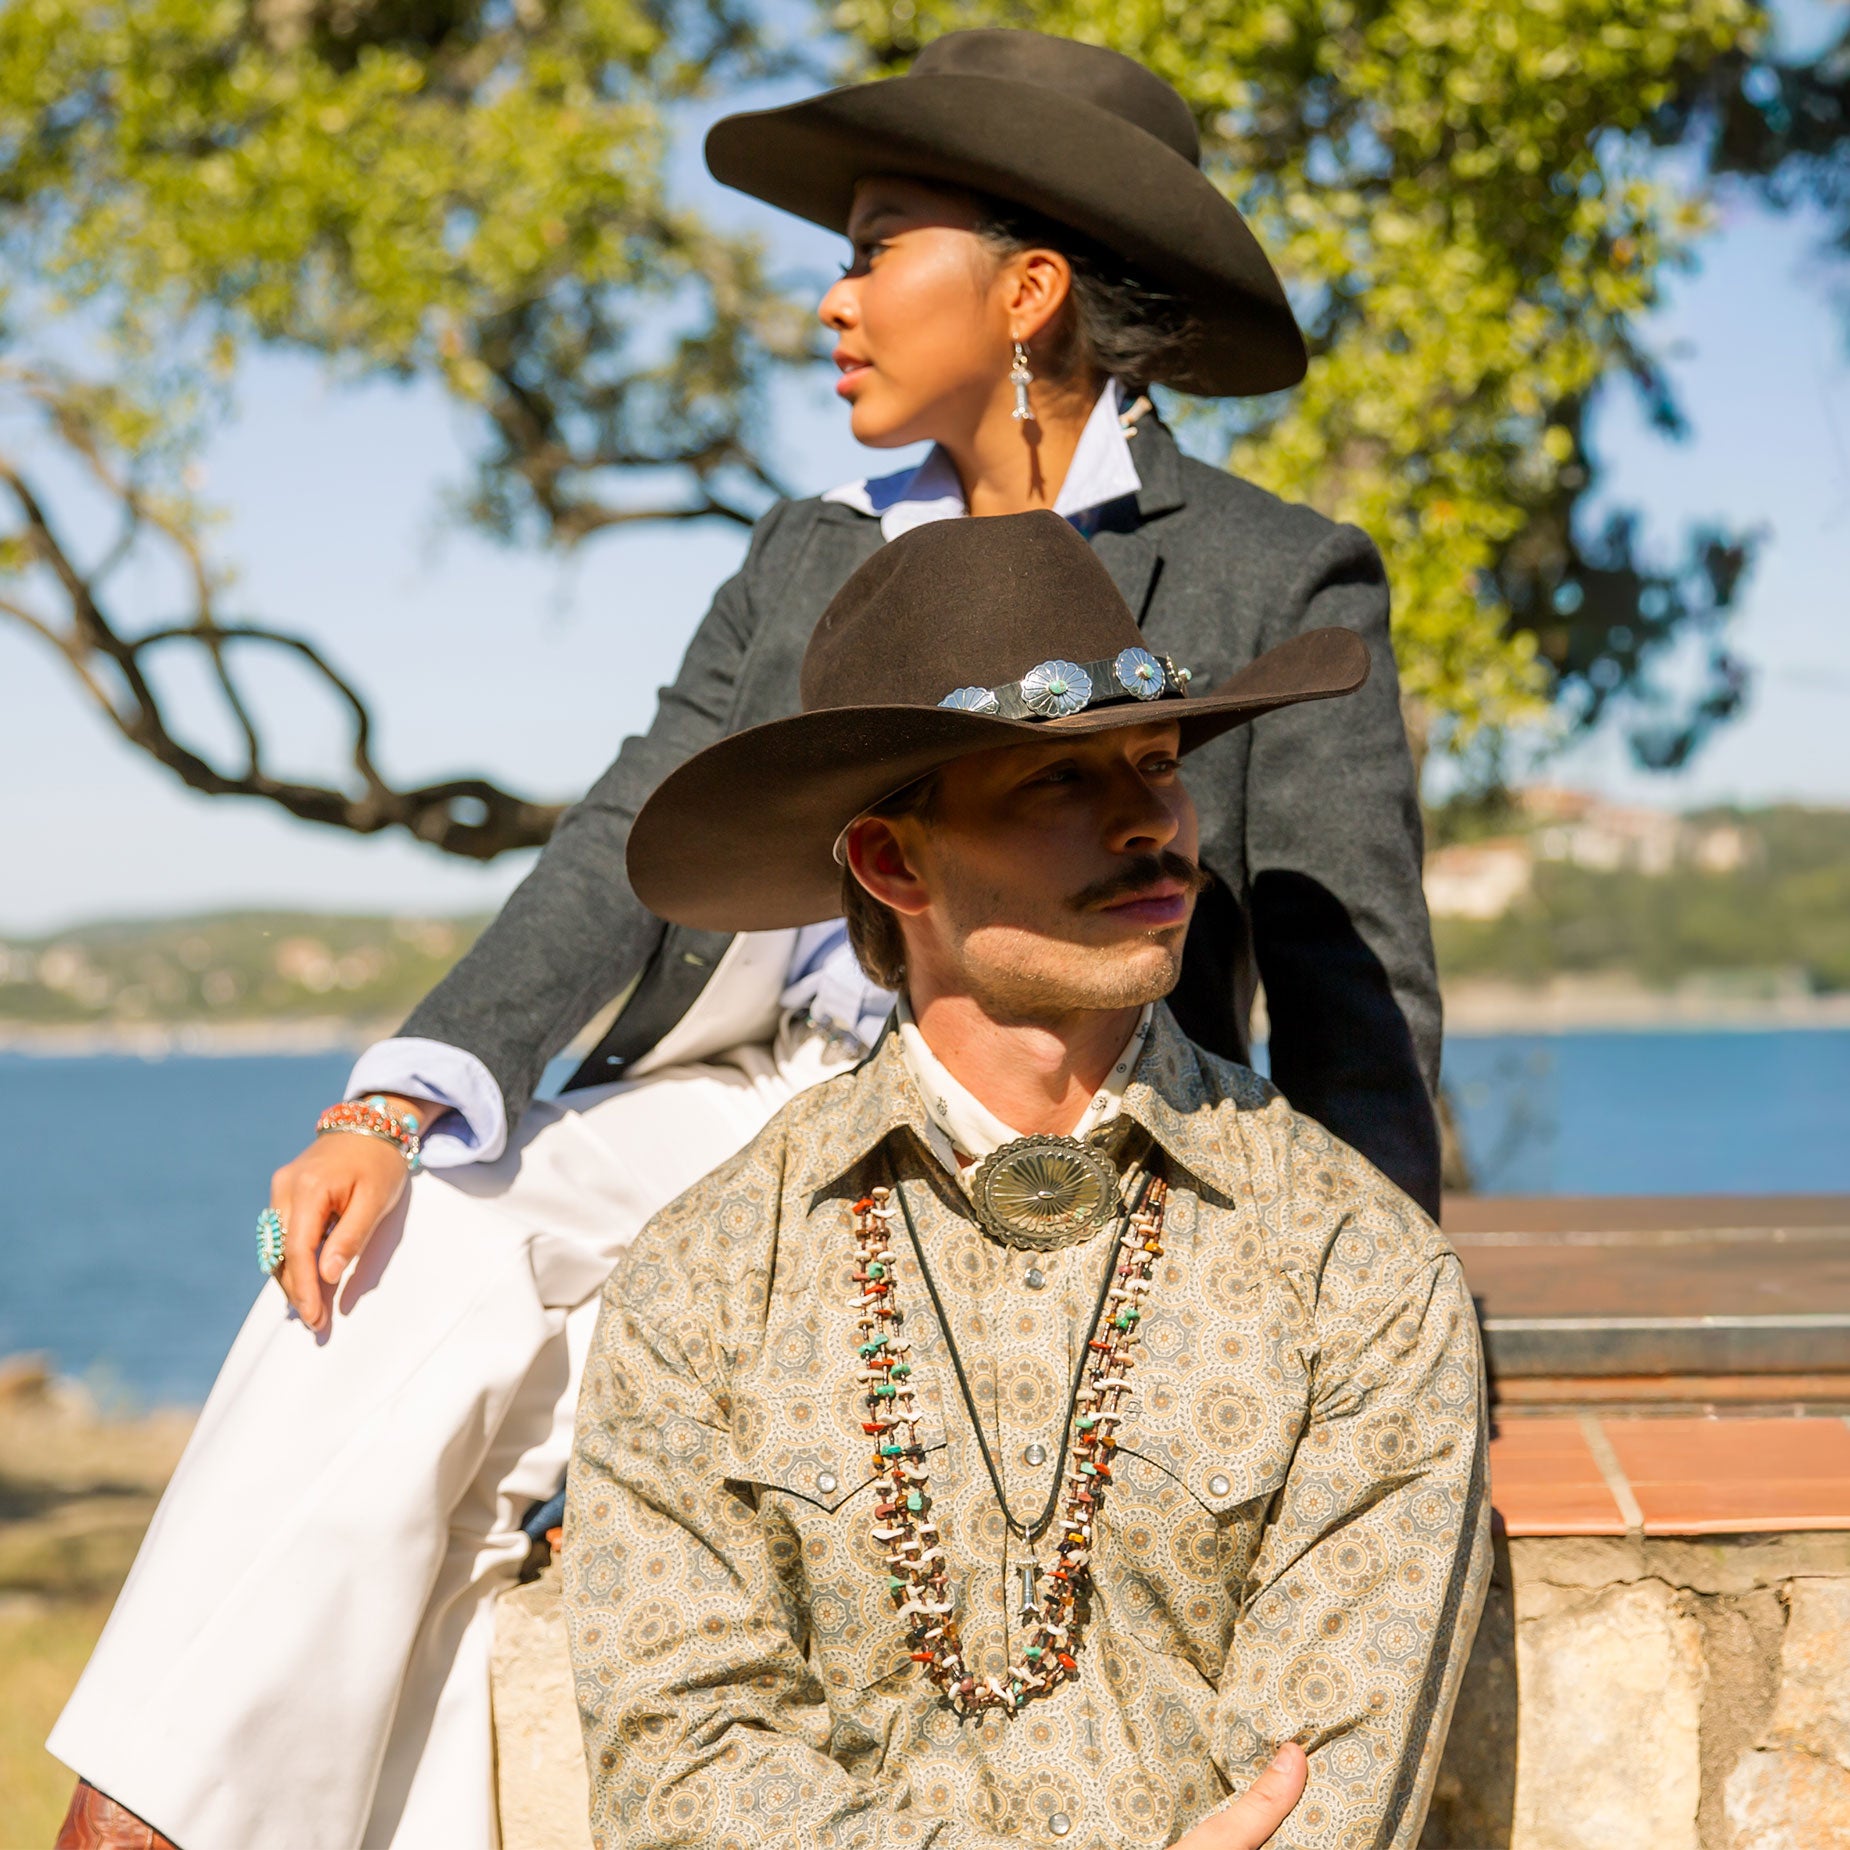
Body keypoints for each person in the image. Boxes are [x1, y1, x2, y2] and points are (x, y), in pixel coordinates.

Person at [51, 30, 1443, 1850]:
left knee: (492, 1448)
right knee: (395, 1267)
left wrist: (1379, 1323)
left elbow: (1353, 991)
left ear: (1024, 289)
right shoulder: (804, 559)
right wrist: (393, 1104)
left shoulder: (1269, 572)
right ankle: (133, 1827)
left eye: (874, 247)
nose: (830, 300)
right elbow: (626, 833)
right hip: (746, 1102)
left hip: (1066, 1122)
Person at [567, 511, 1487, 1850]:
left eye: (1157, 765)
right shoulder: (701, 1280)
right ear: (892, 860)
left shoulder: (1354, 1264)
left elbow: (1321, 1778)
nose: (1151, 823)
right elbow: (679, 1767)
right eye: (1061, 782)